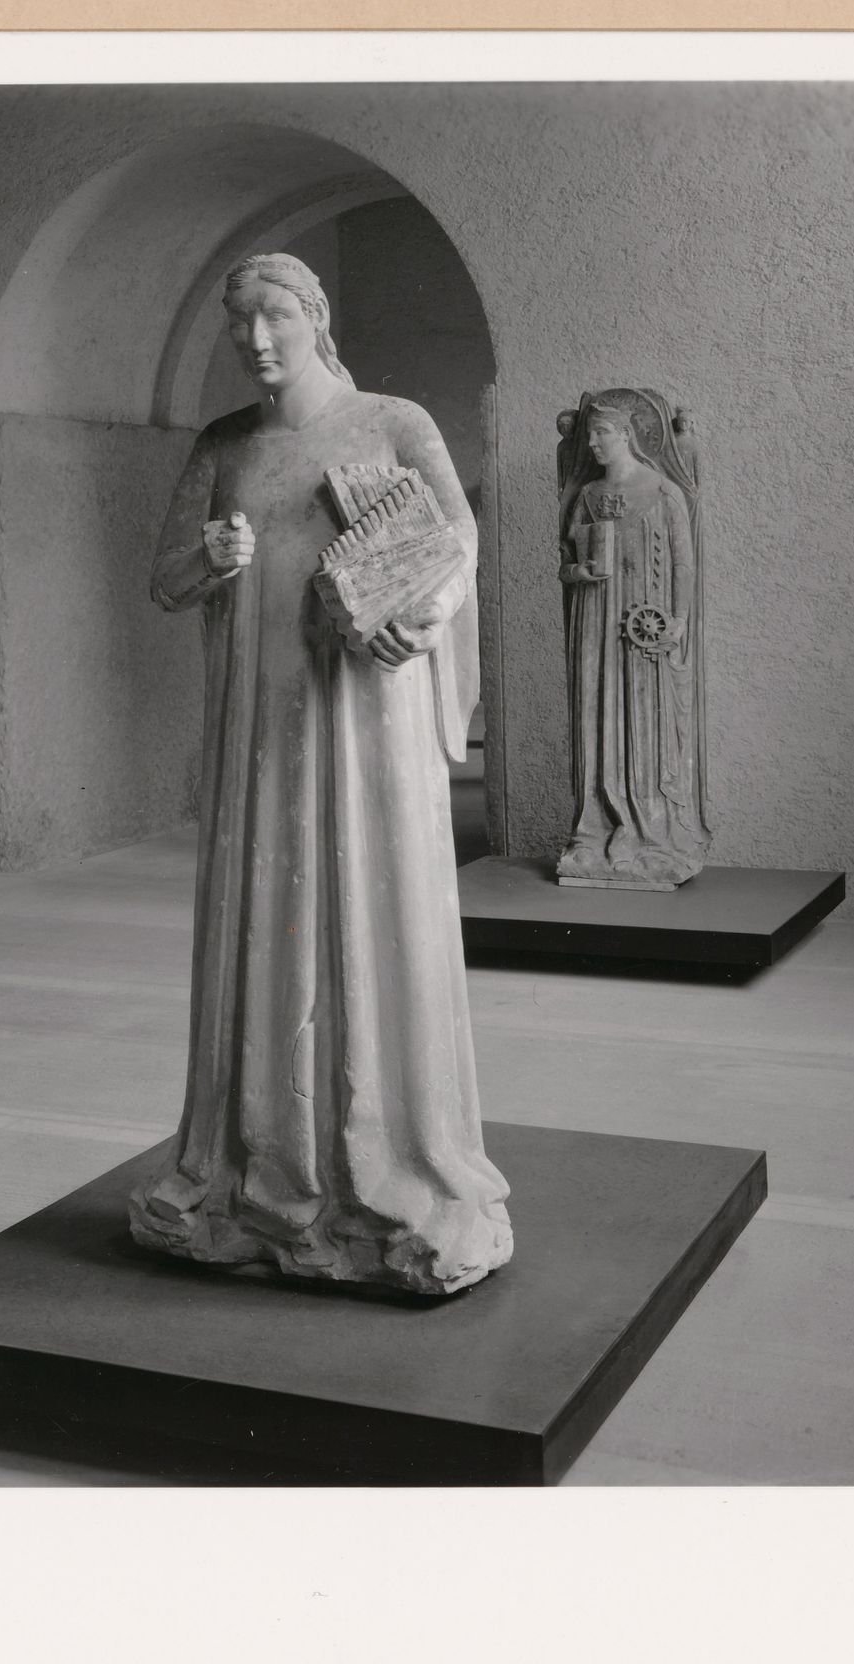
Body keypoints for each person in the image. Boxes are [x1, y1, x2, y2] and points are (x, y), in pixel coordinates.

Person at [127, 253, 512, 1297]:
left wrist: (412, 615)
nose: (255, 341)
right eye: (238, 324)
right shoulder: (224, 446)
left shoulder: (393, 422)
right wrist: (210, 552)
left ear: (315, 317)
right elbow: (163, 579)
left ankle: (381, 1165)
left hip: (364, 716)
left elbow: (456, 545)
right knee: (269, 918)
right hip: (262, 723)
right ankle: (262, 1168)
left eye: (273, 319)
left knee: (371, 916)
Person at [556, 389, 711, 889]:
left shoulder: (664, 492)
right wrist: (581, 570)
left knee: (645, 725)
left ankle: (651, 835)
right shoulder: (586, 498)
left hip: (643, 625)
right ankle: (593, 830)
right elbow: (565, 563)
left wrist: (680, 620)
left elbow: (685, 565)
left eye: (601, 434)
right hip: (594, 623)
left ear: (626, 434)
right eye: (589, 436)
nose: (593, 444)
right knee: (596, 720)